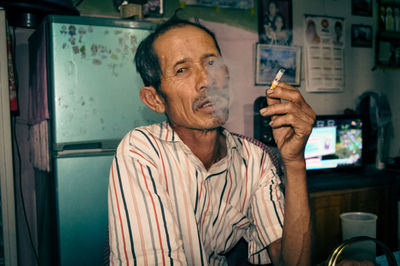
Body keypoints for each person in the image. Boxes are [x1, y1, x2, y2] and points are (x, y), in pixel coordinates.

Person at [108, 15, 315, 265]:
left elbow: (291, 262)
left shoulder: (254, 160)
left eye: (212, 63)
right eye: (182, 70)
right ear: (155, 99)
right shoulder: (141, 150)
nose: (206, 81)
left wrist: (294, 163)